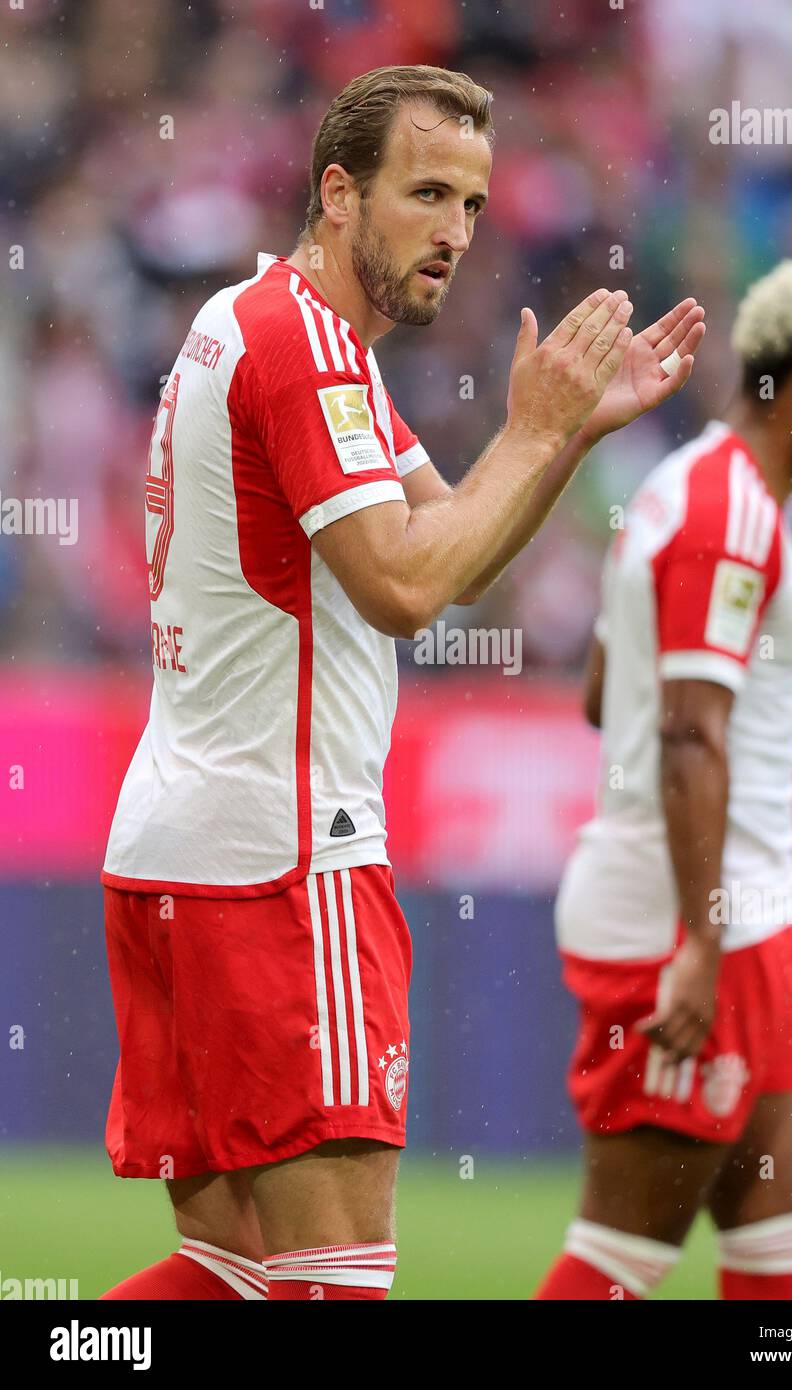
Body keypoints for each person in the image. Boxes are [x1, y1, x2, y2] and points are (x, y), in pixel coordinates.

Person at [99, 63, 704, 1301]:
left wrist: (565, 430)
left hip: (175, 850)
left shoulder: (261, 323)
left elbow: (454, 547)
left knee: (227, 1272)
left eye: (473, 205)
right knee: (334, 1281)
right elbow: (404, 588)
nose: (455, 233)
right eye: (425, 193)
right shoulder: (308, 354)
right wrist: (532, 434)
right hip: (283, 864)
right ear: (336, 192)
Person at [536, 255, 792, 1301]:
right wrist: (697, 942)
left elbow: (615, 695)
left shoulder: (682, 491)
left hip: (748, 915)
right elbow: (680, 736)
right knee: (621, 1249)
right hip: (692, 921)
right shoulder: (727, 517)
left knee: (780, 1229)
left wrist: (790, 736)